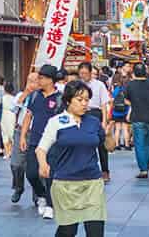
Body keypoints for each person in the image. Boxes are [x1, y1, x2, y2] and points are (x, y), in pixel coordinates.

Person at [36, 80, 110, 237]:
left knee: (96, 230)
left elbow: (109, 146)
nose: (84, 104)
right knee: (68, 231)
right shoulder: (56, 122)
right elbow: (41, 148)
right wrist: (43, 164)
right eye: (79, 99)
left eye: (87, 100)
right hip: (65, 185)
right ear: (68, 100)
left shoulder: (93, 122)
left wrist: (108, 133)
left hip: (92, 183)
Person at [21, 64, 64, 220]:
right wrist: (22, 137)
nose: (38, 80)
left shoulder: (60, 99)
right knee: (31, 173)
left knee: (50, 175)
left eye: (41, 78)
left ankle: (50, 206)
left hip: (53, 143)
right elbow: (28, 116)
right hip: (35, 141)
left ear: (51, 80)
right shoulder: (34, 96)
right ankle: (41, 196)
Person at [124, 63, 149, 179]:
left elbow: (126, 100)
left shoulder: (130, 85)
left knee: (140, 144)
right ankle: (147, 165)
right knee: (147, 142)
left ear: (134, 73)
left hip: (137, 117)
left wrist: (134, 103)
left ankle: (144, 169)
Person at [77, 62, 112, 182]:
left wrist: (104, 121)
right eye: (81, 73)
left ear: (91, 73)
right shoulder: (78, 85)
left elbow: (103, 104)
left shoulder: (99, 85)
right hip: (81, 114)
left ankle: (105, 170)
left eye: (85, 73)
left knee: (101, 145)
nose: (83, 75)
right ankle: (85, 169)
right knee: (83, 144)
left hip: (95, 113)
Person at [10, 71, 39, 204]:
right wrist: (26, 93)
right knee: (16, 164)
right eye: (29, 81)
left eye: (35, 81)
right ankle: (18, 187)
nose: (32, 84)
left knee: (35, 165)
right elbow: (13, 109)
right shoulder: (21, 95)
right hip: (20, 131)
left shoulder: (41, 97)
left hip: (37, 132)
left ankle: (37, 192)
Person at [109, 75, 130, 150]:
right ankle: (127, 145)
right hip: (125, 111)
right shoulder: (127, 90)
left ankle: (117, 144)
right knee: (125, 129)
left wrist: (110, 111)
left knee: (117, 129)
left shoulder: (116, 89)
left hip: (116, 111)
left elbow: (112, 100)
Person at [0, 81, 18, 159]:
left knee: (5, 134)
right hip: (12, 115)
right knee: (12, 133)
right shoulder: (14, 99)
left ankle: (7, 152)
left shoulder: (2, 98)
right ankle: (12, 151)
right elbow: (17, 109)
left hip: (4, 115)